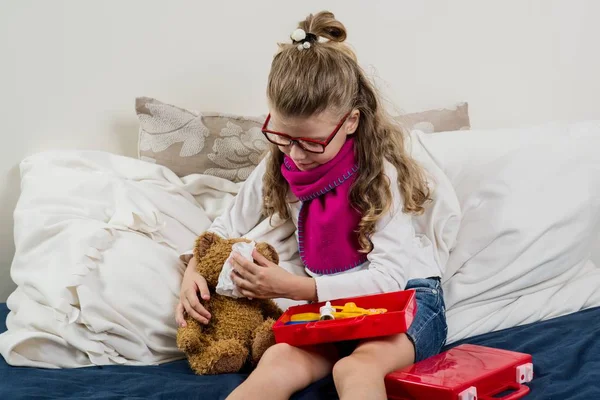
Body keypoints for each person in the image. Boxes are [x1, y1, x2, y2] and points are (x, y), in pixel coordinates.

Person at [175, 10, 458, 400]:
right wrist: (193, 268)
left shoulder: (380, 175)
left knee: (355, 368)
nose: (296, 154)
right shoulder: (281, 160)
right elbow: (227, 224)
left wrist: (294, 287)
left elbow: (388, 278)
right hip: (328, 310)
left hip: (403, 301)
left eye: (312, 141)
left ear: (352, 122)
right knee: (275, 365)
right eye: (283, 136)